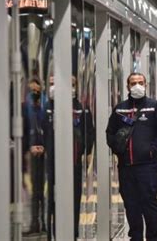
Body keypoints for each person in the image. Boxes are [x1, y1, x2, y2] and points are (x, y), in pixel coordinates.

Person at [106, 72, 157, 241]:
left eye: (140, 82)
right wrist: (117, 149)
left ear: (145, 85)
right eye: (133, 82)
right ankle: (135, 237)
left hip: (148, 166)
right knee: (131, 204)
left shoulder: (155, 107)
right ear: (127, 86)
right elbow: (110, 132)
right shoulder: (120, 109)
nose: (137, 86)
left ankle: (152, 237)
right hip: (126, 166)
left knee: (149, 203)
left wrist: (153, 149)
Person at [44, 75, 95, 240]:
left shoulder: (82, 110)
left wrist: (85, 153)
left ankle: (72, 234)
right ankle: (55, 233)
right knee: (54, 200)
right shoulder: (49, 108)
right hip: (53, 163)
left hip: (74, 163)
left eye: (72, 84)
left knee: (74, 200)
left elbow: (90, 134)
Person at [22, 78, 47, 235]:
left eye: (37, 90)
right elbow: (24, 128)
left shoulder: (46, 105)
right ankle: (34, 222)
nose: (34, 93)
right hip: (32, 152)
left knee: (43, 189)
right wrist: (29, 148)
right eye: (32, 90)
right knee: (34, 190)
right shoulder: (25, 107)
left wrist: (45, 146)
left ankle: (44, 222)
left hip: (45, 152)